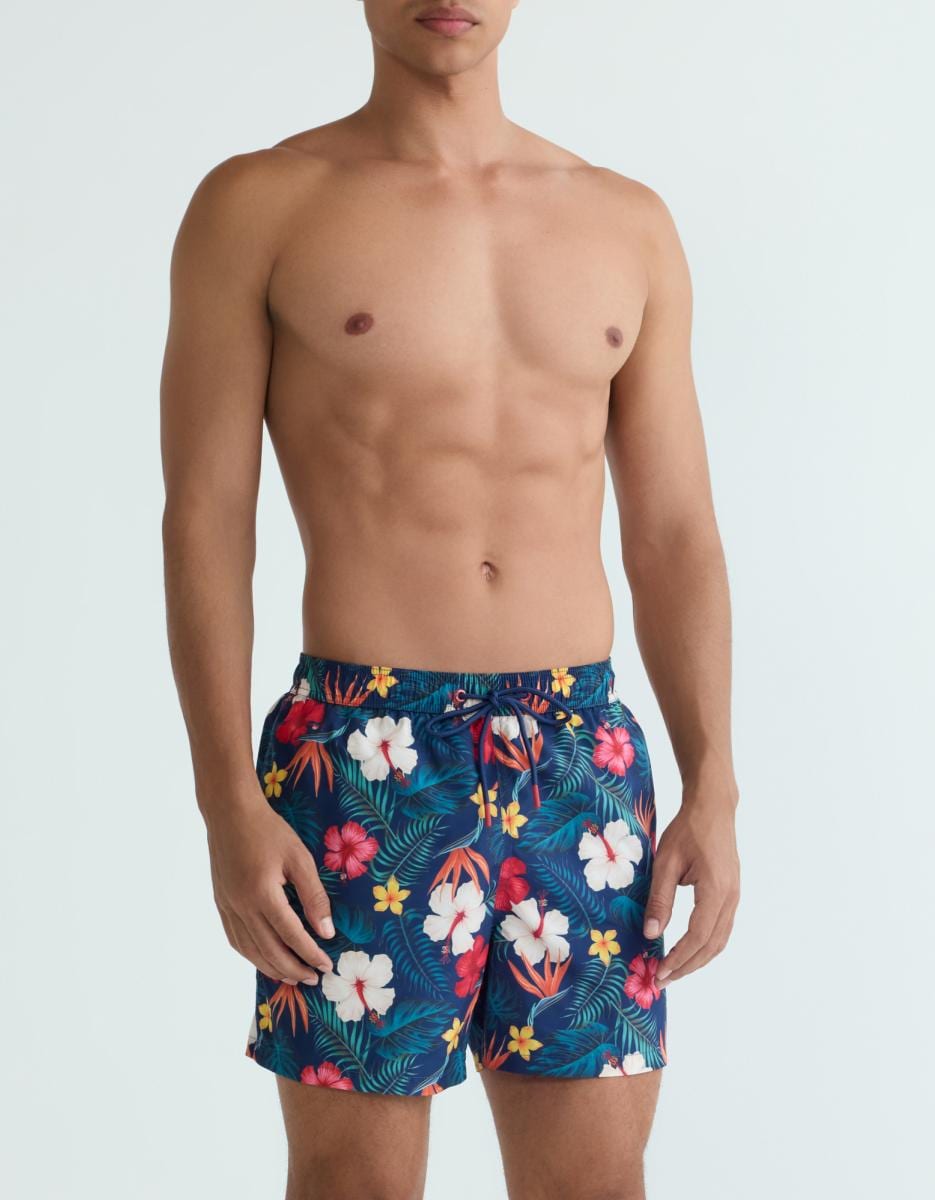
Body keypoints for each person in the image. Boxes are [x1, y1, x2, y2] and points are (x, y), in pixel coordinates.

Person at [160, 3, 740, 1197]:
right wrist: (225, 799)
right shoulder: (261, 205)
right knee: (352, 1185)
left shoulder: (625, 223)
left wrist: (713, 782)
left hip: (579, 757)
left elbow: (674, 530)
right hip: (360, 757)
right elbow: (205, 518)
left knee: (595, 1183)